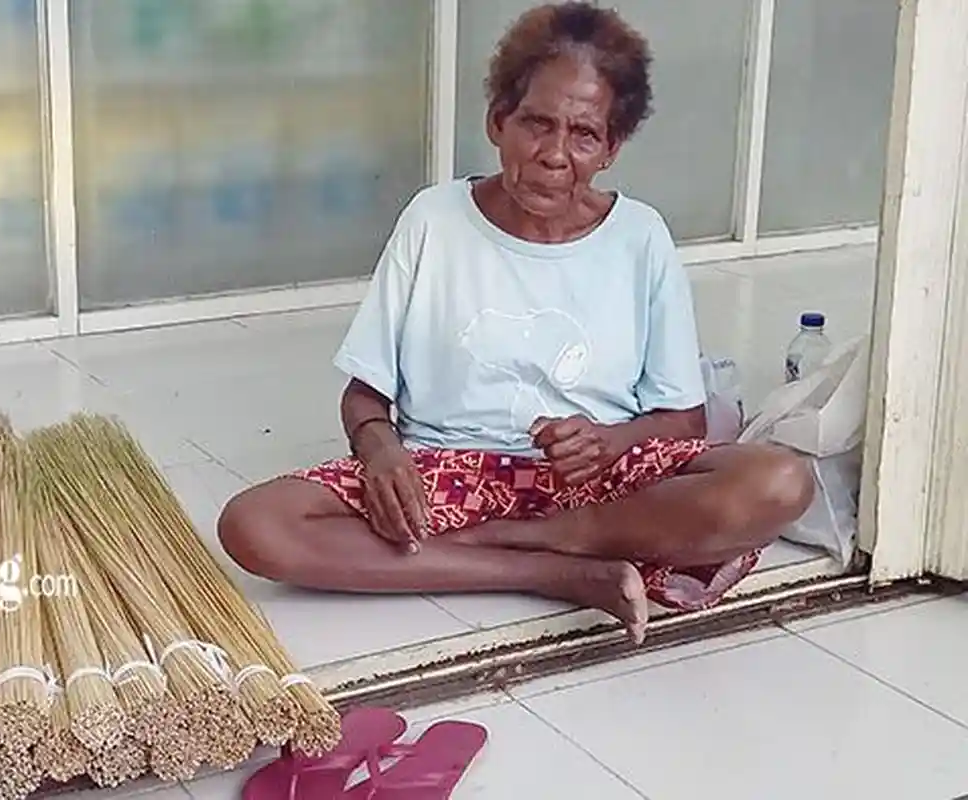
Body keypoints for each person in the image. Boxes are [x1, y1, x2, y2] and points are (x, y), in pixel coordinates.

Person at [217, 1, 814, 644]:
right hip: (446, 473)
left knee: (781, 480)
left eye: (584, 134)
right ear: (498, 121)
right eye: (536, 123)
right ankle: (552, 574)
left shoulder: (640, 237)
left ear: (611, 148)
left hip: (599, 491)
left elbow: (683, 422)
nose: (555, 154)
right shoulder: (434, 220)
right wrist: (383, 450)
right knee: (254, 524)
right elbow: (366, 393)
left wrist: (606, 442)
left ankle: (530, 543)